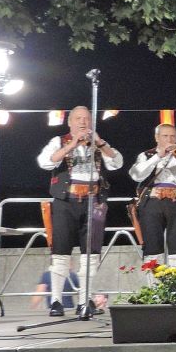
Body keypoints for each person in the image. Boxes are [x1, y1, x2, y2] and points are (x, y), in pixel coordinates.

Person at [37, 105, 123, 317]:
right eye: (78, 118)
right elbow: (45, 162)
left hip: (93, 201)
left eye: (87, 118)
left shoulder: (99, 143)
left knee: (91, 254)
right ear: (70, 122)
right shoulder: (59, 141)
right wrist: (72, 144)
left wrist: (101, 143)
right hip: (66, 201)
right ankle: (56, 301)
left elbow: (116, 163)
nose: (83, 122)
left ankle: (85, 301)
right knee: (60, 253)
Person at [128, 123, 176, 270]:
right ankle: (154, 290)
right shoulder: (146, 155)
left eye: (172, 136)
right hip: (152, 203)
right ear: (157, 138)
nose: (169, 139)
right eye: (165, 136)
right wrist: (158, 157)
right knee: (152, 248)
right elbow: (136, 175)